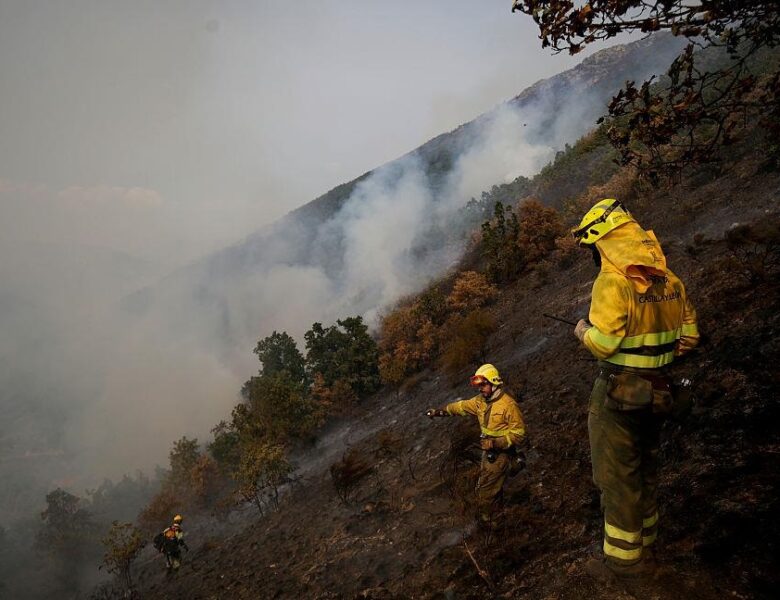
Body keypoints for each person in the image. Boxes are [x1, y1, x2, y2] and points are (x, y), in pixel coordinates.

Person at [571, 199, 699, 580]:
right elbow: (689, 337)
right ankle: (649, 544)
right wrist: (655, 355)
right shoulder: (670, 280)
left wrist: (582, 332)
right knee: (646, 470)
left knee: (616, 478)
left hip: (619, 398)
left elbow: (604, 343)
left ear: (604, 244)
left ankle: (625, 565)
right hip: (659, 395)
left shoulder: (613, 283)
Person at [426, 363, 526, 527]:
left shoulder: (508, 405)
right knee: (494, 488)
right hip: (488, 454)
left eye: (483, 385)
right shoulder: (479, 402)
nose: (480, 389)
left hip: (501, 454)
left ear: (494, 383)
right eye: (478, 386)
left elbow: (519, 434)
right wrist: (438, 411)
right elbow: (459, 407)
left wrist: (495, 443)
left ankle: (490, 525)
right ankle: (500, 514)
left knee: (484, 492)